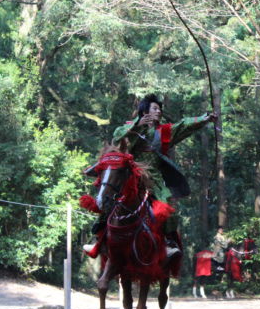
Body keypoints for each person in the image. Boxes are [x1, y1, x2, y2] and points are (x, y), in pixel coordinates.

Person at [85, 94, 217, 259]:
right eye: (155, 108)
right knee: (109, 195)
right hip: (131, 174)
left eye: (160, 109)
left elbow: (185, 125)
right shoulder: (128, 127)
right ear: (144, 111)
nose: (159, 112)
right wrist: (137, 126)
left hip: (153, 176)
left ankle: (168, 242)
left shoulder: (165, 131)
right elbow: (117, 138)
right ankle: (98, 239)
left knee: (166, 201)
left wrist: (205, 119)